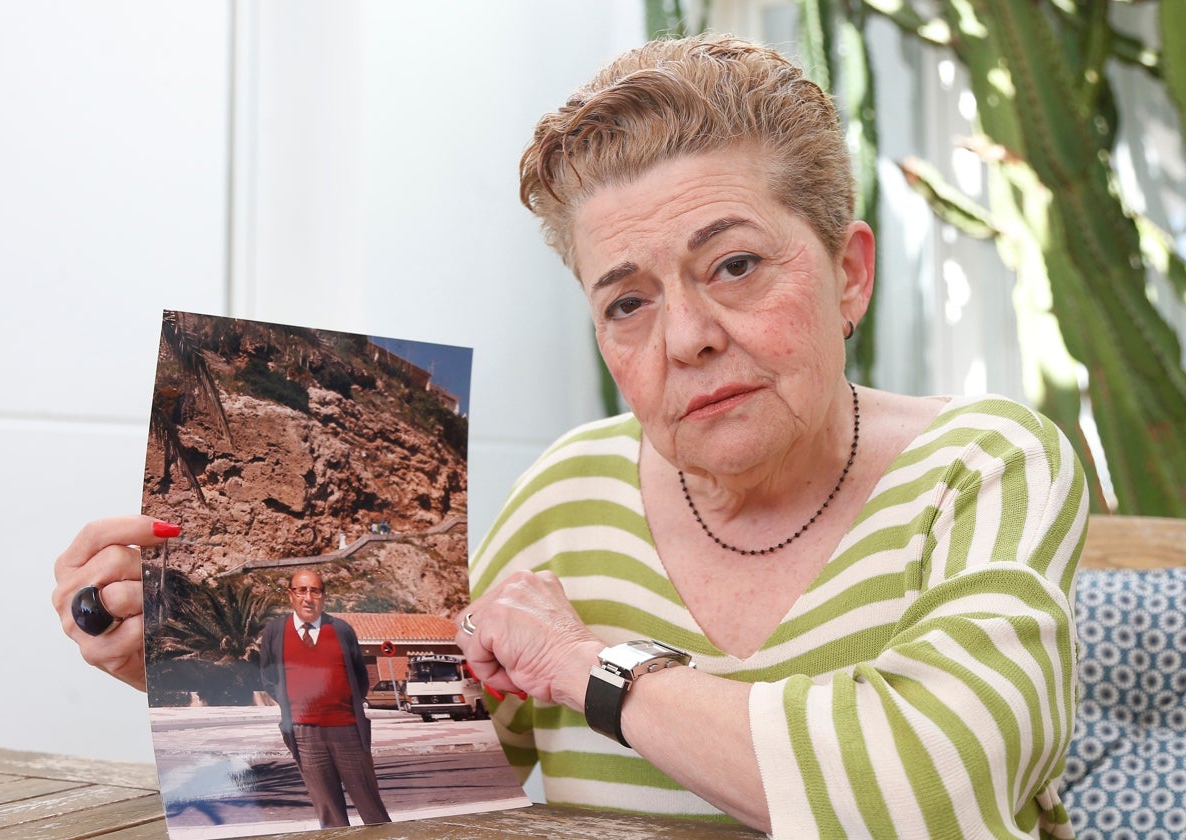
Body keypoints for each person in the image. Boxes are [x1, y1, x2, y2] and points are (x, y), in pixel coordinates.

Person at [53, 34, 1086, 838]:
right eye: (627, 302)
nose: (686, 338)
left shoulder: (986, 464)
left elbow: (928, 796)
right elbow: (408, 781)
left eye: (735, 266)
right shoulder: (571, 489)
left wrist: (589, 664)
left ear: (849, 272)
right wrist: (209, 672)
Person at [258, 569, 390, 828]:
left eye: (315, 591)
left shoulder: (341, 630)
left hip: (348, 730)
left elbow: (360, 678)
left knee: (371, 808)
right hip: (304, 733)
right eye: (301, 590)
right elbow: (268, 677)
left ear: (323, 596)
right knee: (329, 813)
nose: (308, 598)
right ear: (290, 595)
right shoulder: (275, 631)